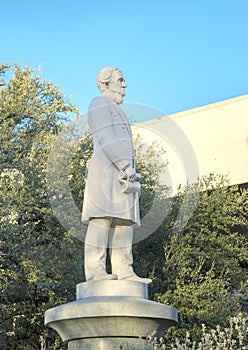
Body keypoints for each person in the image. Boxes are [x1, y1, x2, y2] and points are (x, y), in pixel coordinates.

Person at [82, 66, 151, 284]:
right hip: (107, 172)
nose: (124, 85)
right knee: (102, 219)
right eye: (120, 80)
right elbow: (104, 136)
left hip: (123, 174)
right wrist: (124, 165)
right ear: (105, 84)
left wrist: (128, 169)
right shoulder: (99, 103)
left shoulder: (115, 108)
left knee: (123, 222)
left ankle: (124, 271)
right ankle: (95, 273)